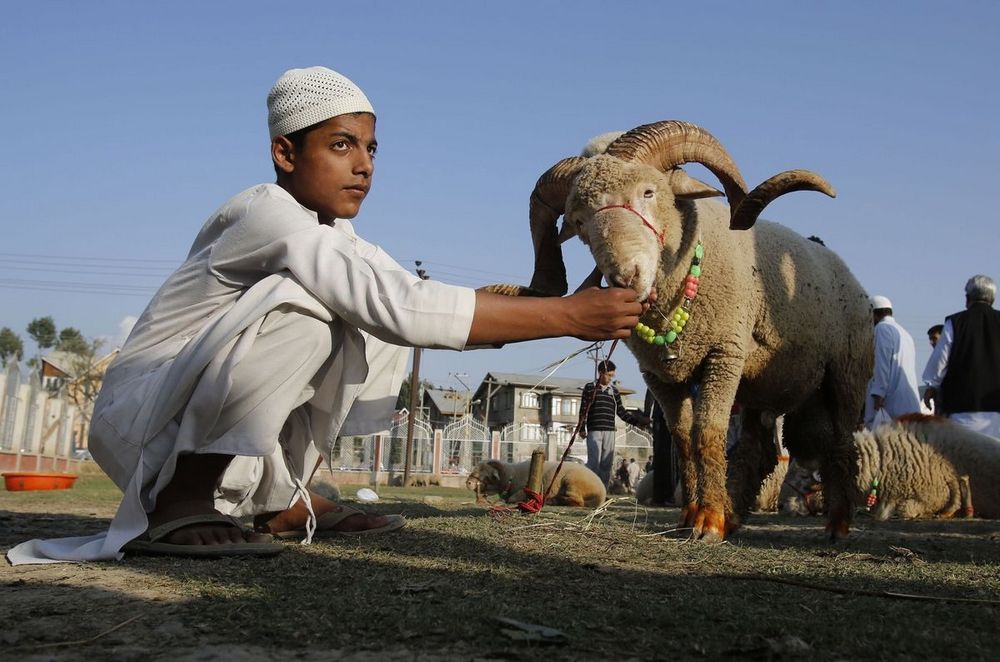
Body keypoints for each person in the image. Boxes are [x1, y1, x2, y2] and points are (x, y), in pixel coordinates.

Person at [7, 67, 647, 565]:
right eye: (341, 145)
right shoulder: (264, 213)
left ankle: (279, 498)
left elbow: (407, 300)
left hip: (191, 426)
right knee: (315, 306)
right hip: (143, 427)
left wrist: (568, 303)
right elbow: (399, 306)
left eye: (371, 147)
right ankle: (182, 501)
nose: (364, 164)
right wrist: (567, 316)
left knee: (368, 299)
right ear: (285, 153)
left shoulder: (336, 241)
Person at [922, 275, 1000, 439]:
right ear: (992, 299)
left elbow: (940, 360)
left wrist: (931, 386)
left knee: (961, 461)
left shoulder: (955, 322)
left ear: (967, 298)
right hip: (997, 412)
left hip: (962, 411)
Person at [579, 360, 650, 487]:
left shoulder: (614, 391)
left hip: (610, 431)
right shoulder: (590, 387)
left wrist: (636, 422)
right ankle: (590, 488)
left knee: (606, 463)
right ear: (601, 373)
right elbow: (584, 409)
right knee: (594, 462)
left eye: (612, 376)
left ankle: (603, 490)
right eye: (609, 375)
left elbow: (621, 412)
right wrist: (581, 428)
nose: (611, 378)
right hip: (594, 430)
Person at [864, 295, 922, 429]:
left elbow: (881, 364)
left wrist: (879, 393)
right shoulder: (905, 333)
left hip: (892, 405)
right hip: (909, 403)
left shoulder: (881, 329)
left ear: (874, 314)